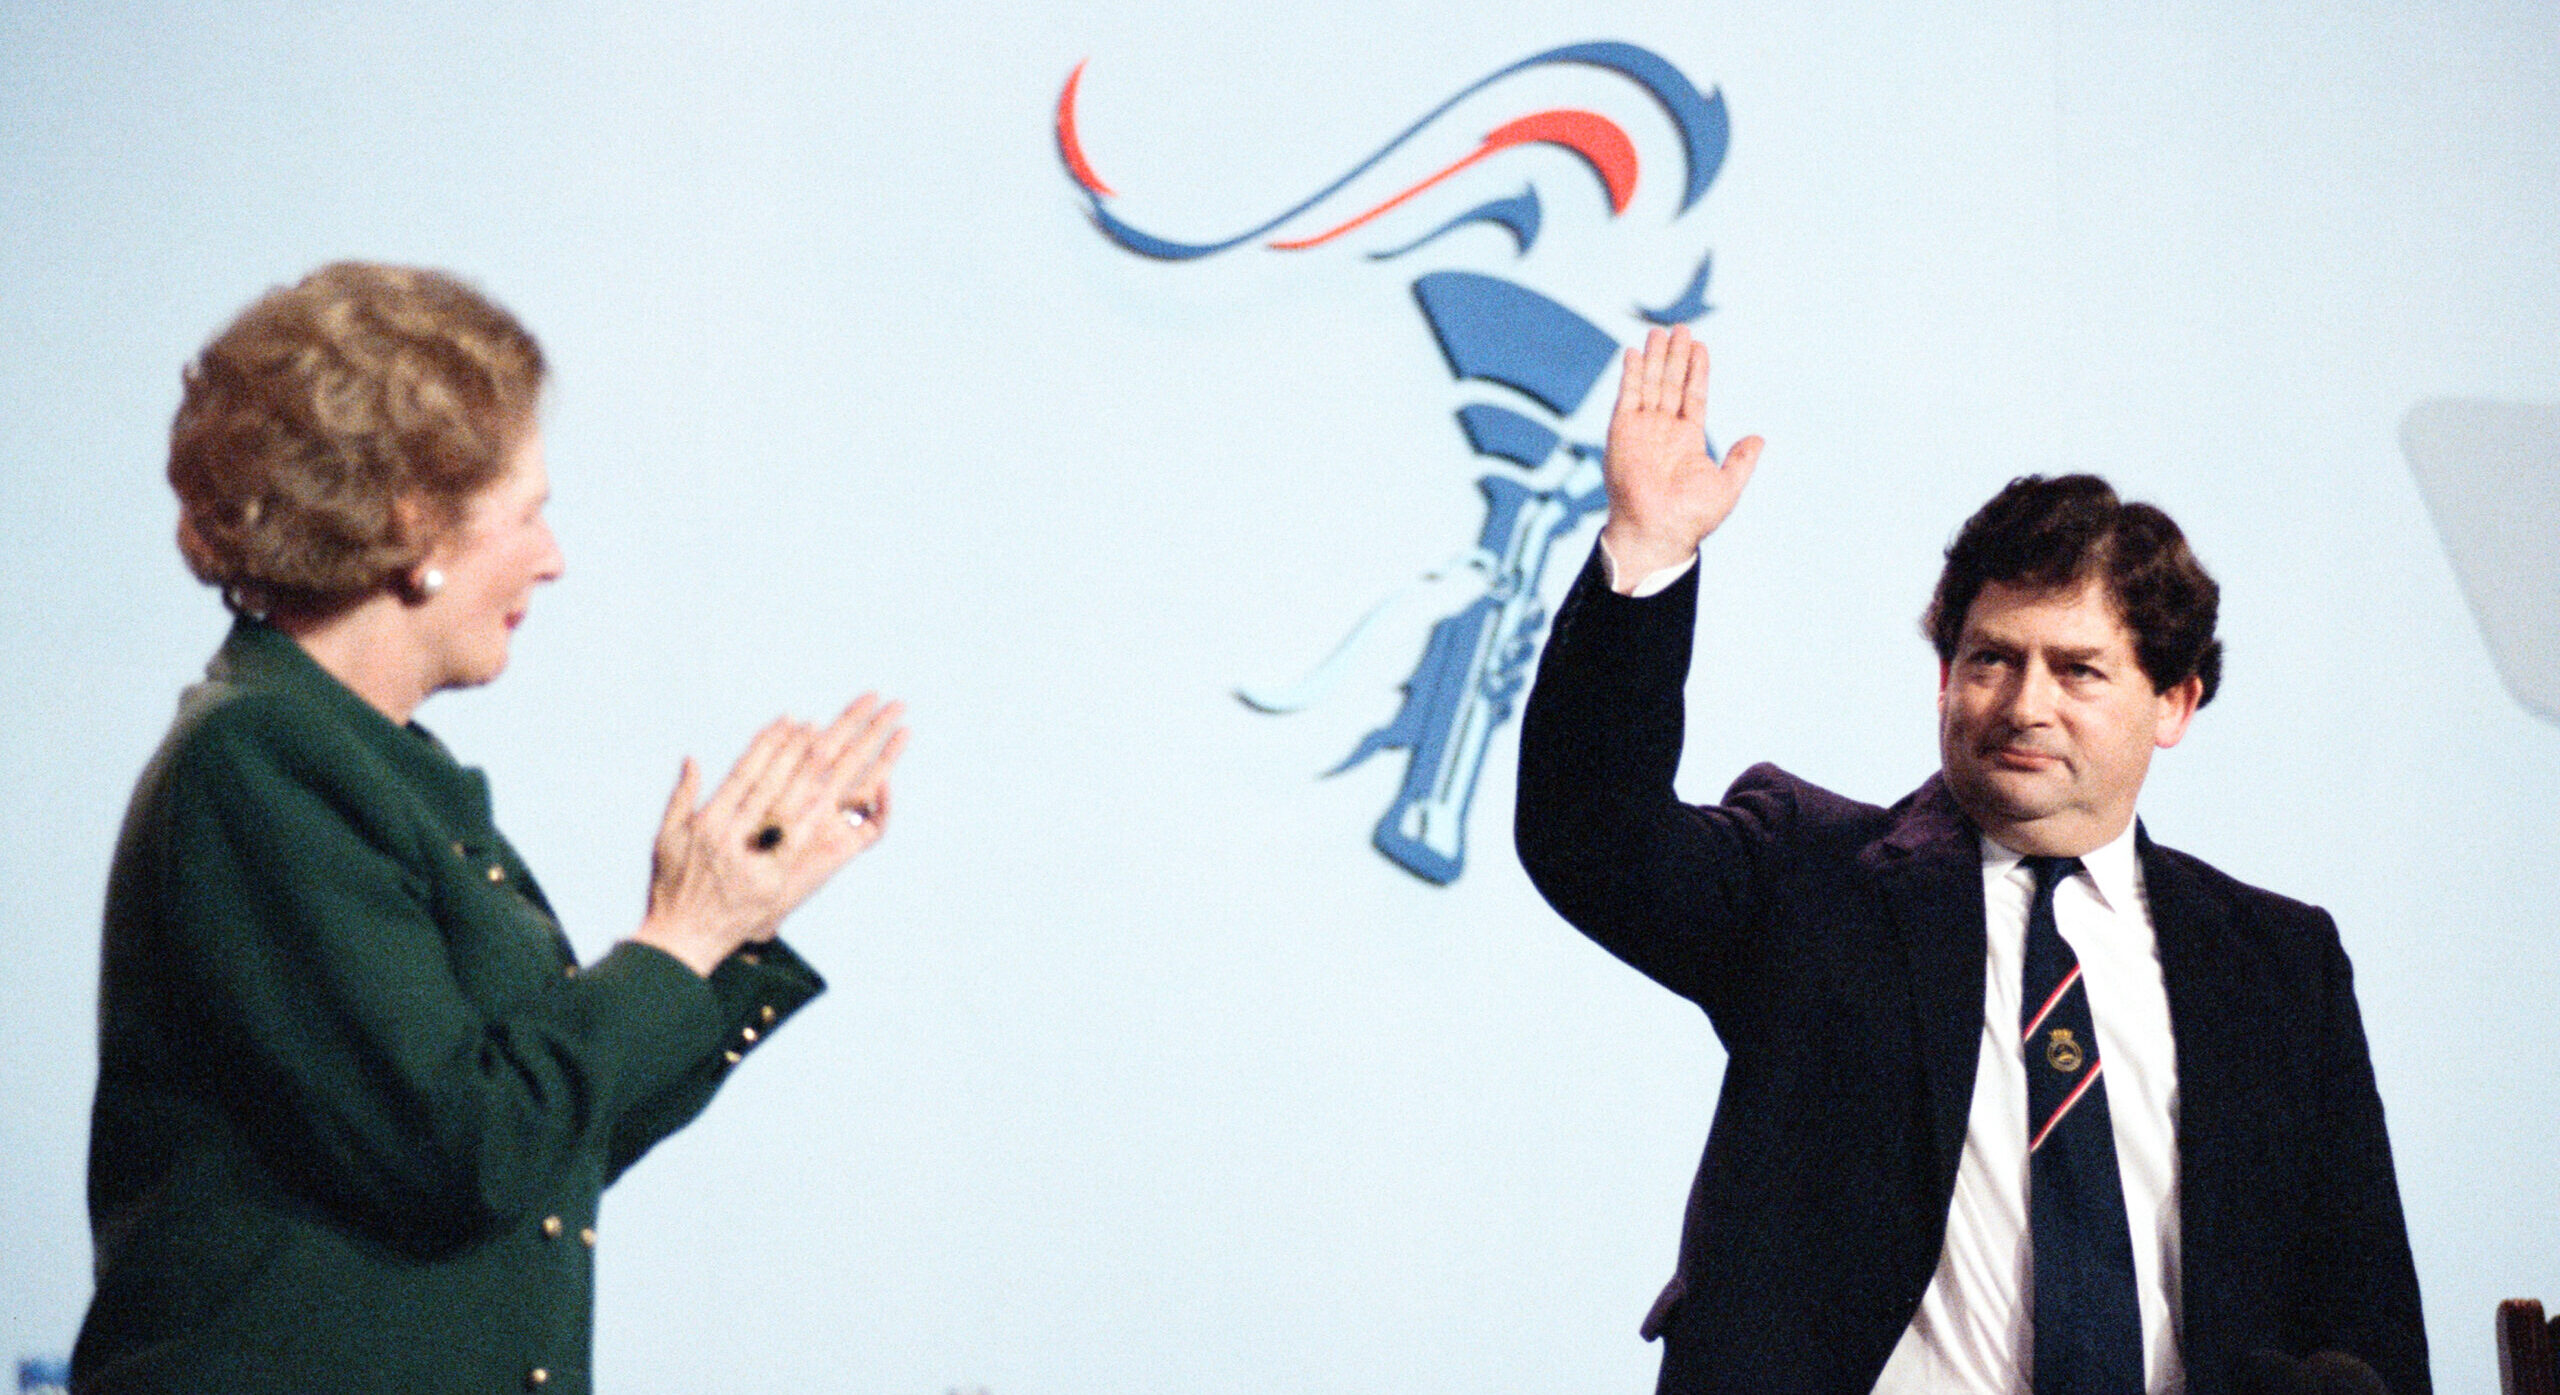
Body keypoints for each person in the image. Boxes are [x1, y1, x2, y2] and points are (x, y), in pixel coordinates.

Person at [1514, 326, 2427, 1395]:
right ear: (1944, 676)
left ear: (2174, 702)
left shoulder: (2278, 962)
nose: (2022, 704)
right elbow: (1591, 836)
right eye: (1990, 659)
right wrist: (1649, 551)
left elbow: (2360, 1315)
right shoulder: (1811, 878)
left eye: (2078, 670)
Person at [72, 263, 907, 1395]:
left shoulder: (373, 765)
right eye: (529, 514)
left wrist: (724, 932)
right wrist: (676, 939)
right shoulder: (261, 761)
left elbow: (538, 1156)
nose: (553, 558)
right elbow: (461, 1150)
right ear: (415, 527)